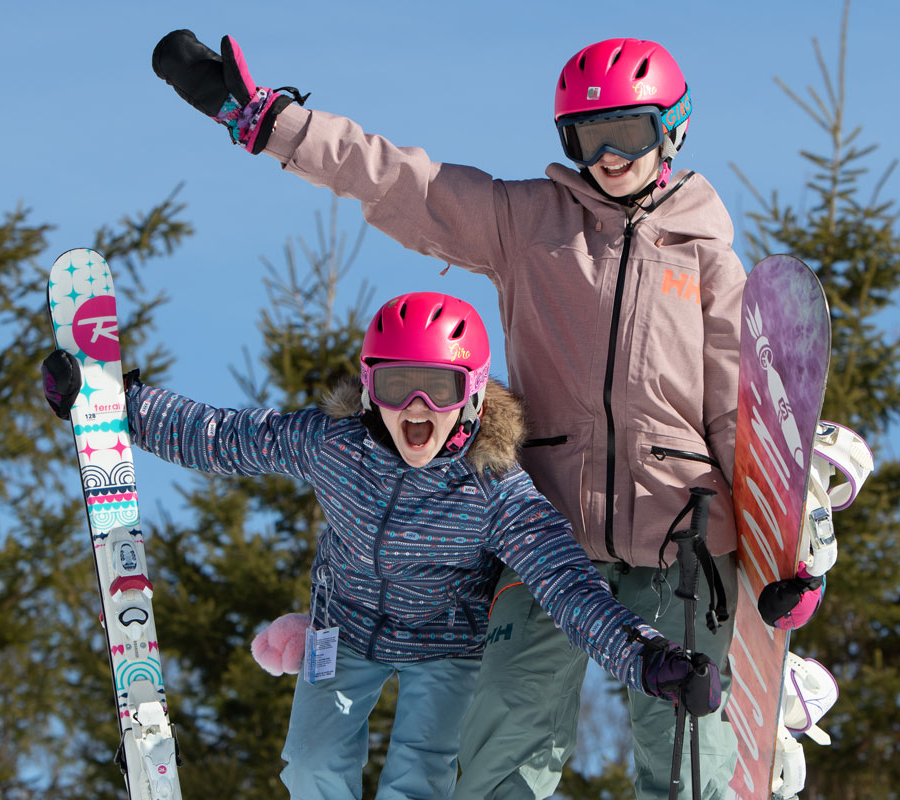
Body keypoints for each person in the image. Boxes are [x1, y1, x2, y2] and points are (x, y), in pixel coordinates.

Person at [152, 32, 746, 800]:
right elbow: (406, 183)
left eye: (625, 131)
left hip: (683, 538)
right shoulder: (530, 223)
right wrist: (272, 124)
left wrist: (784, 555)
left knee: (684, 752)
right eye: (585, 135)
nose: (606, 154)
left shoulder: (707, 258)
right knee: (505, 744)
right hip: (547, 533)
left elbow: (738, 414)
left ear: (673, 127)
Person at [41, 291, 720, 800]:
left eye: (441, 388)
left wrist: (644, 655)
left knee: (415, 780)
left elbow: (569, 586)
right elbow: (225, 436)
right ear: (371, 389)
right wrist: (117, 405)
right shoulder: (337, 447)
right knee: (312, 766)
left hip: (445, 649)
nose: (417, 406)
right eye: (398, 386)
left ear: (474, 397)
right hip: (347, 631)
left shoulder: (497, 491)